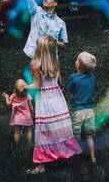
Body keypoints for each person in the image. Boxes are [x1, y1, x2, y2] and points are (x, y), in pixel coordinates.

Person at [25, 34, 82, 174]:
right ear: (51, 49)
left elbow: (37, 86)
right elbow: (59, 82)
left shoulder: (35, 64)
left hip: (44, 100)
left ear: (39, 48)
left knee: (43, 133)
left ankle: (40, 167)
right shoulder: (55, 62)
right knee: (61, 128)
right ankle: (67, 156)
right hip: (57, 99)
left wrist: (25, 87)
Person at [23, 0, 68, 64]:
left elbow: (64, 45)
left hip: (51, 60)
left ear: (55, 3)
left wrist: (54, 41)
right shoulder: (36, 12)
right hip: (34, 57)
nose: (45, 0)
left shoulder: (60, 23)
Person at [63, 52, 97, 163]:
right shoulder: (92, 77)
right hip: (90, 111)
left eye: (78, 60)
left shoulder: (73, 77)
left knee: (74, 137)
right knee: (89, 136)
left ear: (78, 65)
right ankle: (93, 158)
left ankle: (72, 160)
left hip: (78, 112)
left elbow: (64, 91)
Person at [2, 79, 34, 144]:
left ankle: (16, 144)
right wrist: (33, 113)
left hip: (18, 117)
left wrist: (6, 97)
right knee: (29, 131)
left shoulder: (13, 95)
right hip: (27, 116)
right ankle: (29, 144)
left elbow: (8, 103)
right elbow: (30, 106)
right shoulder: (27, 95)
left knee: (17, 132)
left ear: (15, 88)